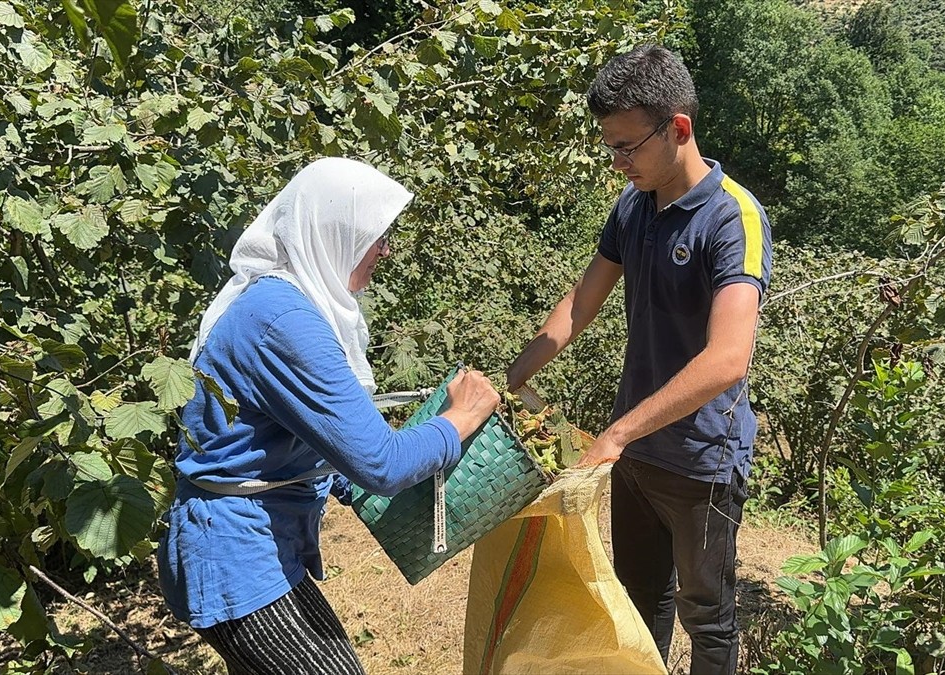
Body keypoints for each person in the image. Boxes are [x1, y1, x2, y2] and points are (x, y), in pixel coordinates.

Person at [157, 157, 500, 675]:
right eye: (375, 235)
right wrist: (459, 419)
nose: (385, 250)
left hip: (251, 543)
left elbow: (315, 440)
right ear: (333, 230)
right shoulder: (282, 320)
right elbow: (381, 465)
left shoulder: (287, 302)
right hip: (236, 557)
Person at [505, 45, 772, 674]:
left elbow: (729, 359)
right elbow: (580, 301)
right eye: (610, 147)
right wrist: (514, 377)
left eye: (628, 146)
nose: (618, 162)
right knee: (636, 599)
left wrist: (618, 431)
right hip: (633, 456)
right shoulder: (632, 206)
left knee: (706, 615)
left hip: (701, 457)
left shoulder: (732, 216)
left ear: (678, 128)